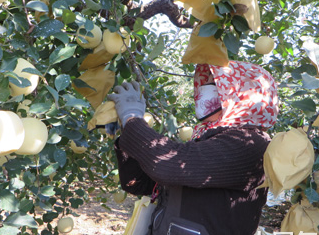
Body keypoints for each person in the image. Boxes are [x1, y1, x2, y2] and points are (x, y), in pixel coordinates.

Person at [108, 61, 279, 235]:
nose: (204, 88)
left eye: (215, 84)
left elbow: (169, 166)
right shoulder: (208, 137)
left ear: (243, 95)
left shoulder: (250, 143)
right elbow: (139, 184)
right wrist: (127, 132)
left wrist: (132, 119)